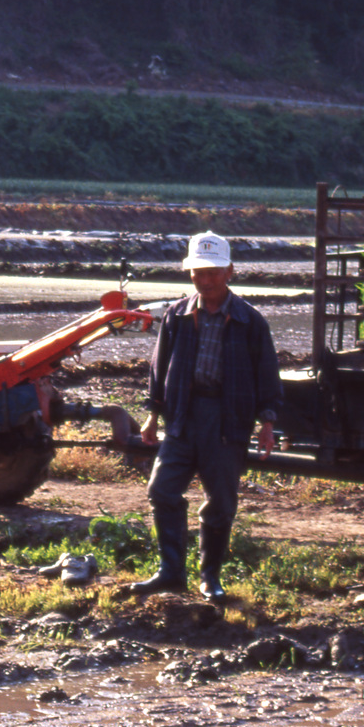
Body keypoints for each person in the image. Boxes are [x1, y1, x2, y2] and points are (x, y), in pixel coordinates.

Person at [128, 231, 283, 602]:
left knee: (221, 501)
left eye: (213, 272)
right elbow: (159, 369)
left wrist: (268, 423)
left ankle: (209, 577)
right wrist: (152, 416)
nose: (206, 279)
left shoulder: (250, 321)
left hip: (228, 420)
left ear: (229, 271)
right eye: (198, 272)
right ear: (190, 274)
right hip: (183, 414)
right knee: (161, 490)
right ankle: (170, 572)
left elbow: (268, 375)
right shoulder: (177, 316)